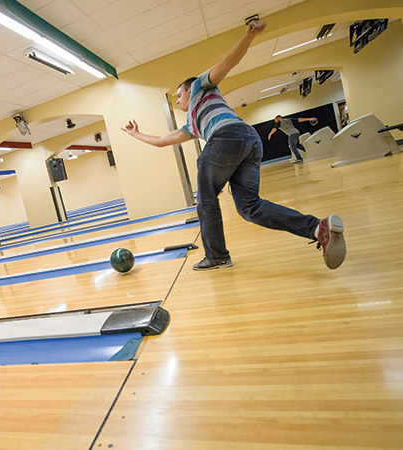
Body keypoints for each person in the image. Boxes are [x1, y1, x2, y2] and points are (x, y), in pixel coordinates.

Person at [121, 21, 346, 271]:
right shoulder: (192, 125)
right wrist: (137, 134)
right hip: (249, 140)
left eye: (179, 94)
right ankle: (317, 228)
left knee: (205, 201)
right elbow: (163, 141)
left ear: (189, 88)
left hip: (227, 137)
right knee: (250, 207)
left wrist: (248, 37)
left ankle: (217, 257)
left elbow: (226, 64)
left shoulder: (199, 87)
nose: (178, 99)